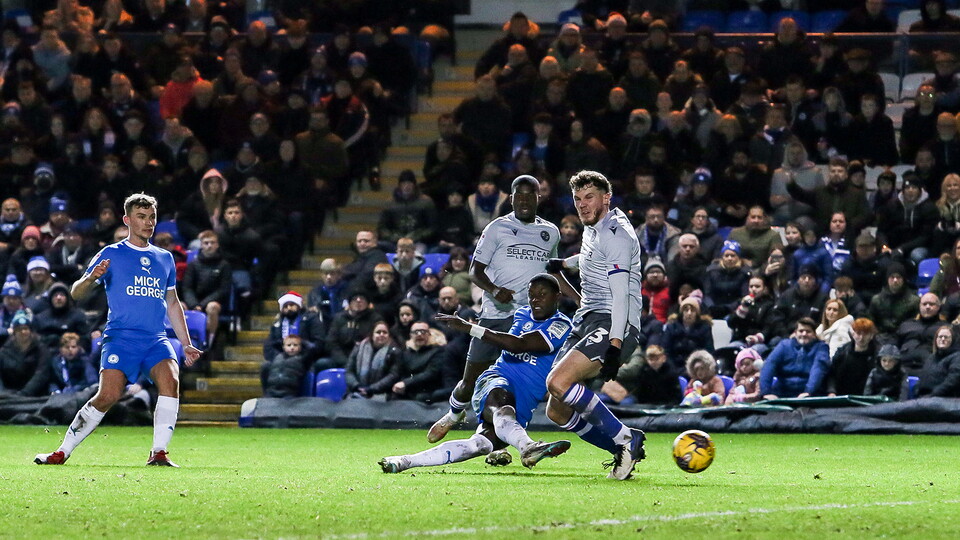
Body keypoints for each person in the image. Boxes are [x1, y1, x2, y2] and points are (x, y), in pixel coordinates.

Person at [36, 193, 201, 467]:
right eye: (141, 217)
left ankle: (158, 453)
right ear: (127, 220)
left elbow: (172, 303)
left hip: (155, 339)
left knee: (171, 381)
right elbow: (76, 293)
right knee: (108, 395)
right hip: (121, 338)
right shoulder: (111, 253)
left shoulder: (164, 258)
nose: (148, 223)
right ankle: (62, 451)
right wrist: (91, 278)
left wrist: (185, 343)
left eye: (152, 218)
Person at [380, 274, 573, 473]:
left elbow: (519, 345)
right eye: (532, 295)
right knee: (500, 405)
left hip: (525, 399)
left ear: (557, 296)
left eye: (543, 294)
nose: (536, 300)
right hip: (496, 379)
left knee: (479, 445)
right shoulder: (522, 314)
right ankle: (527, 447)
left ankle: (404, 461)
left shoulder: (562, 325)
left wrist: (469, 327)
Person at [427, 175, 560, 444]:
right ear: (510, 200)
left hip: (528, 322)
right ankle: (454, 414)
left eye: (529, 195)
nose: (523, 200)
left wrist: (578, 299)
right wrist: (494, 289)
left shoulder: (550, 232)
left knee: (514, 388)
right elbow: (475, 272)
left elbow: (553, 273)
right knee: (471, 379)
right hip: (495, 317)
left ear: (539, 197)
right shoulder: (497, 228)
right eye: (518, 196)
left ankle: (496, 441)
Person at [541, 170, 645, 481]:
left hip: (615, 321)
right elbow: (590, 256)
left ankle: (626, 437)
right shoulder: (594, 226)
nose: (583, 205)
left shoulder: (616, 235)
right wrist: (565, 264)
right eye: (577, 199)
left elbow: (620, 295)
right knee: (556, 410)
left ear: (606, 198)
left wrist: (615, 345)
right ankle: (620, 449)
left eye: (589, 197)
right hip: (588, 318)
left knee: (557, 383)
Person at [760, 317, 831, 399]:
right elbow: (769, 365)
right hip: (782, 393)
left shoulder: (821, 347)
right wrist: (765, 392)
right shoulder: (784, 345)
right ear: (795, 333)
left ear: (814, 334)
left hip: (811, 394)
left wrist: (808, 391)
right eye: (801, 331)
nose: (804, 334)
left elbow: (818, 369)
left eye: (808, 331)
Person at [345, 321, 400, 399]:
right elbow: (348, 371)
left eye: (385, 332)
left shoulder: (394, 351)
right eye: (378, 332)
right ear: (372, 335)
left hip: (381, 394)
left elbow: (393, 375)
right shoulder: (359, 348)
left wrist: (371, 389)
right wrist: (356, 385)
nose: (381, 334)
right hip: (356, 391)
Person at [827, 318, 880, 396]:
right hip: (842, 396)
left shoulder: (877, 355)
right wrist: (831, 392)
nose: (861, 338)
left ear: (871, 336)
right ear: (853, 334)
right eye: (858, 333)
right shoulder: (842, 352)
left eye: (865, 334)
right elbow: (832, 374)